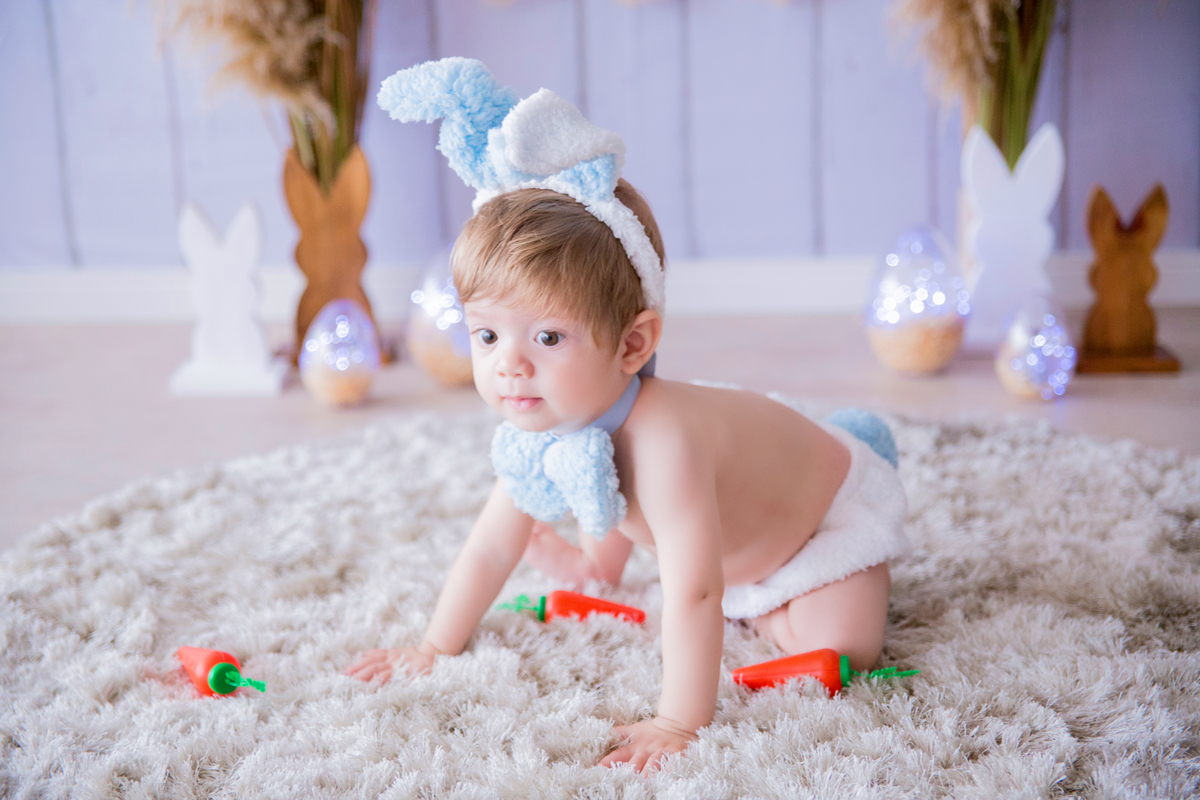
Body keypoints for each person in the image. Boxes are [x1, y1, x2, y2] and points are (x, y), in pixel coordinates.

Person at [346, 58, 910, 774]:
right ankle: (616, 564)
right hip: (724, 537)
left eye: (547, 337)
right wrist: (432, 647)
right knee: (617, 505)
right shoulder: (542, 423)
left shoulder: (667, 441)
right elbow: (491, 547)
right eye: (487, 335)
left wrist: (678, 720)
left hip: (817, 522)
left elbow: (696, 591)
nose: (508, 365)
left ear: (634, 342)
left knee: (840, 647)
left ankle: (782, 601)